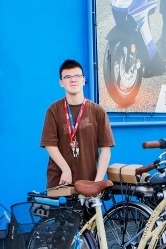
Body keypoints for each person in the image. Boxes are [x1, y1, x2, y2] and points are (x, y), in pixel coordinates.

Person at [40, 59, 115, 189]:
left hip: (88, 181)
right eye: (67, 77)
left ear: (83, 79)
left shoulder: (98, 111)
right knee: (60, 210)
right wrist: (66, 169)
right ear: (61, 82)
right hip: (60, 181)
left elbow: (105, 150)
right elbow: (49, 144)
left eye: (77, 76)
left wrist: (97, 182)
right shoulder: (53, 110)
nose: (72, 80)